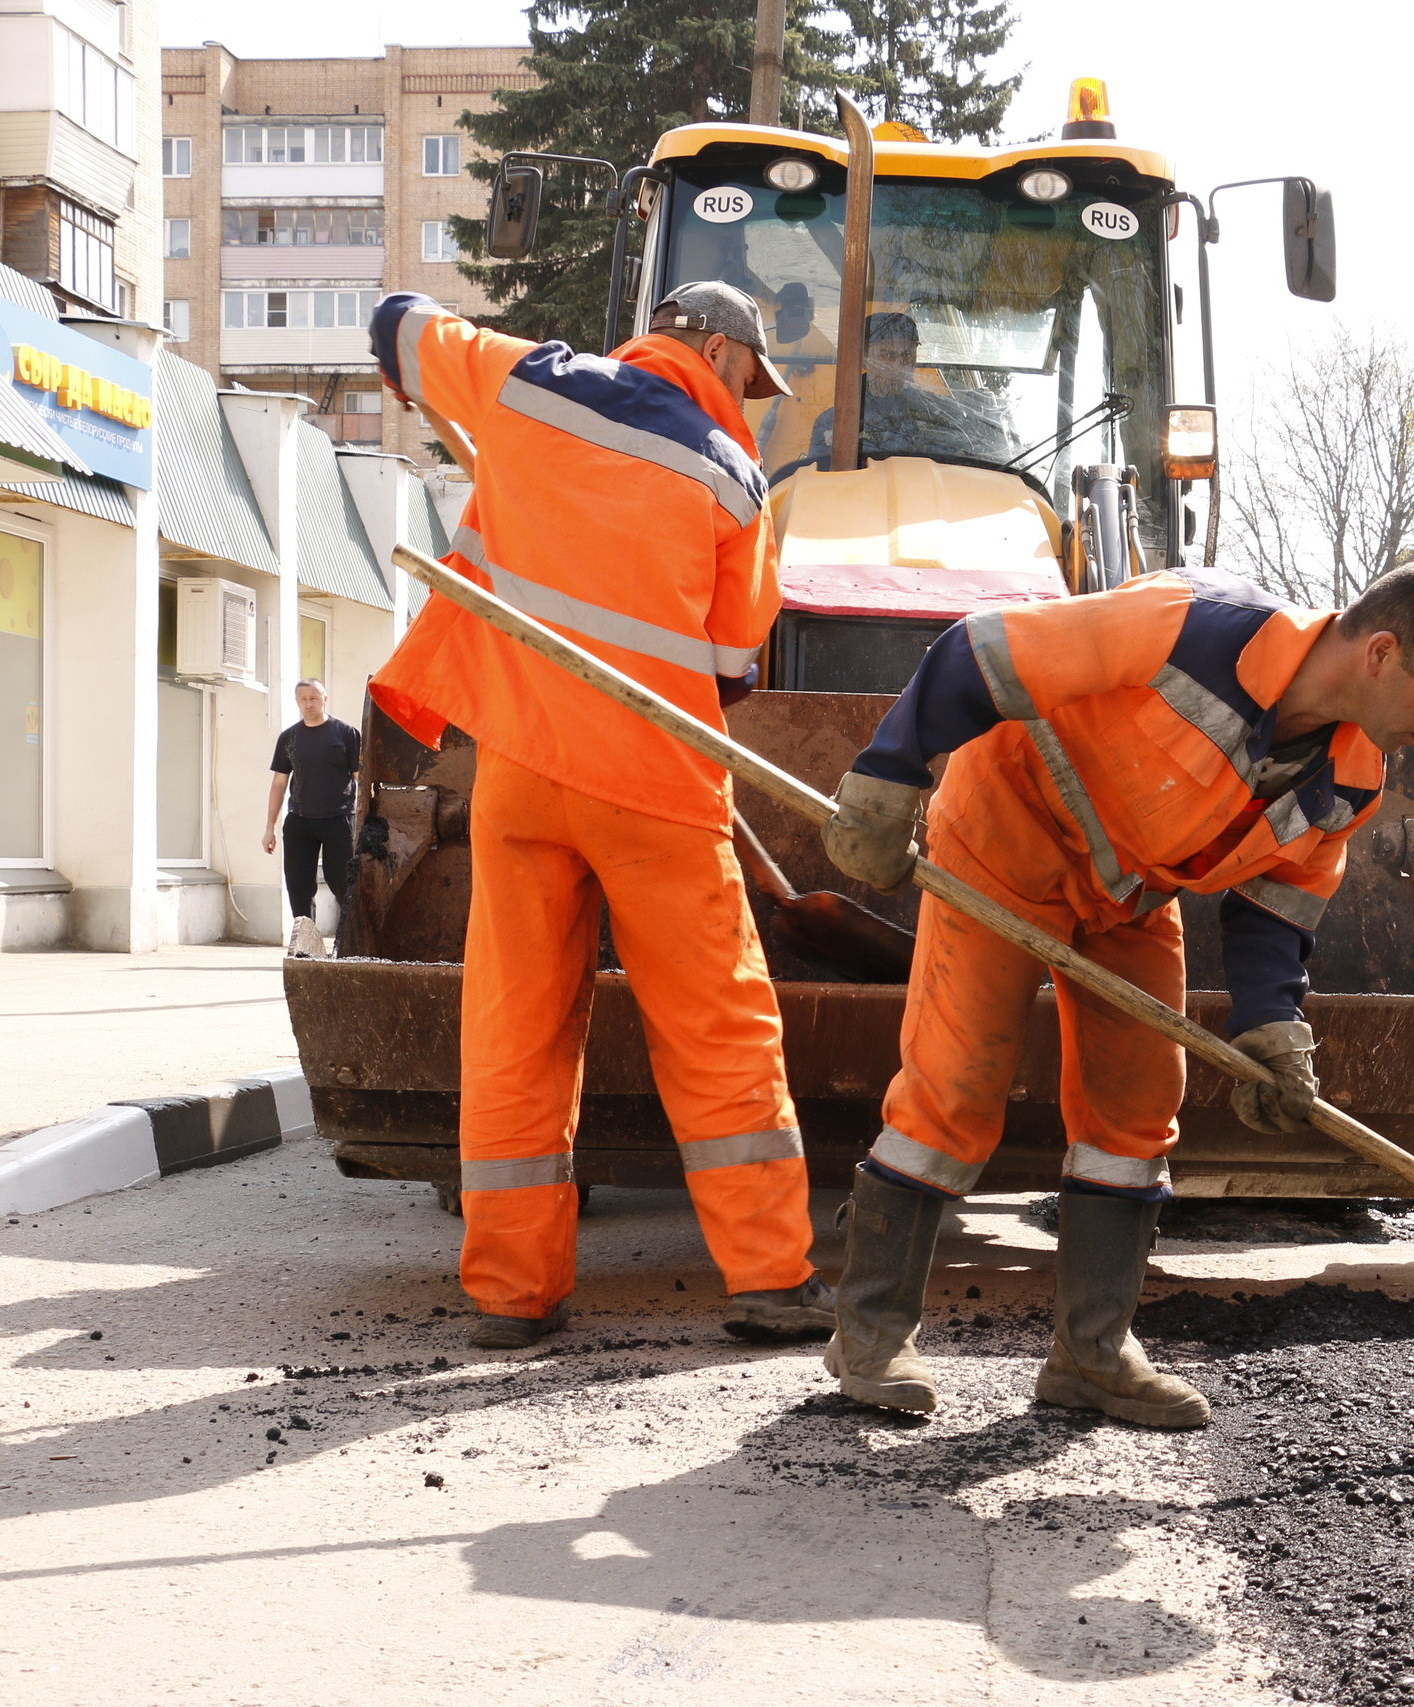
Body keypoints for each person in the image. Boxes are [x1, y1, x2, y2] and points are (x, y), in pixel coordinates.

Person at [818, 559, 1414, 1425]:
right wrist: (888, 776)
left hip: (1129, 890)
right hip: (1005, 836)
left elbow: (1276, 905)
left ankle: (1092, 1353)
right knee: (956, 1086)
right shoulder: (1195, 626)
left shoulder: (1352, 777)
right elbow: (983, 650)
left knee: (1139, 1106)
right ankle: (871, 1332)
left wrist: (1270, 1025)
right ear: (1381, 652)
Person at [367, 278, 835, 1352]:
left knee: (516, 1028)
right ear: (714, 350)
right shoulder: (734, 479)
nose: (747, 402)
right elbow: (729, 665)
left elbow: (396, 322)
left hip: (521, 771)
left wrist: (430, 358)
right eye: (749, 380)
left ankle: (511, 1294)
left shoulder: (527, 378)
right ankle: (767, 1280)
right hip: (656, 789)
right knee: (717, 1027)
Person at [804, 311, 1013, 464]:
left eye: (907, 356)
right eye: (887, 355)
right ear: (865, 358)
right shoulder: (835, 423)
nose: (898, 366)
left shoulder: (939, 413)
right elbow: (822, 484)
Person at [263, 678, 360, 960]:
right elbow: (279, 784)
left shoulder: (346, 733)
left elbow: (361, 779)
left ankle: (347, 945)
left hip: (339, 819)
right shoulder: (289, 738)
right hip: (300, 822)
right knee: (298, 884)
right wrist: (269, 827)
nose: (309, 703)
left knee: (342, 883)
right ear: (297, 702)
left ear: (325, 699)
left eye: (314, 698)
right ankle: (305, 948)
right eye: (303, 699)